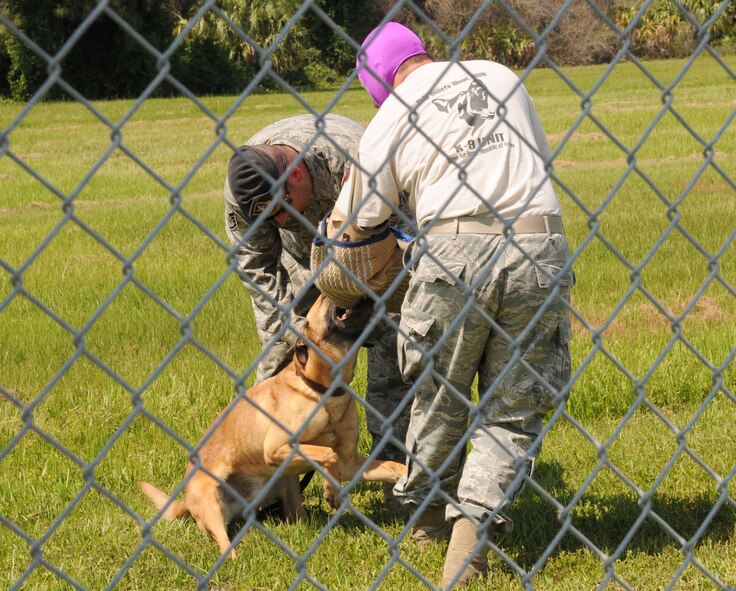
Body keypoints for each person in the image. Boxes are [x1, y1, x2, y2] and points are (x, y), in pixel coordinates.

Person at [314, 23, 574, 589]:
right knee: (514, 409)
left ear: (377, 84)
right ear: (421, 53)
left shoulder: (390, 117)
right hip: (539, 245)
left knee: (439, 391)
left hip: (453, 250)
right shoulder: (502, 77)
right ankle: (469, 546)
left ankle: (430, 521)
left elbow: (365, 225)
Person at [224, 113, 411, 508]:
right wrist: (295, 332)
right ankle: (268, 493)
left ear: (294, 174)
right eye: (268, 216)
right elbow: (257, 268)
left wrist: (378, 296)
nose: (280, 219)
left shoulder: (354, 157)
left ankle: (400, 486)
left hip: (377, 258)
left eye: (281, 208)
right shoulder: (245, 190)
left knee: (393, 362)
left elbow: (405, 223)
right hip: (304, 264)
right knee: (281, 368)